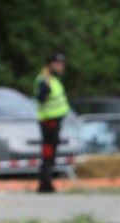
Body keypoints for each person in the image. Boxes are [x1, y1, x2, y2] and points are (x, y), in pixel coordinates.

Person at [34, 52, 69, 193]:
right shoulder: (45, 79)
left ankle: (47, 182)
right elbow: (41, 98)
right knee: (48, 154)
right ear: (51, 64)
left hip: (54, 121)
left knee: (51, 154)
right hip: (49, 122)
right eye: (58, 63)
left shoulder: (54, 79)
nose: (61, 66)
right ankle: (45, 184)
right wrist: (44, 91)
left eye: (62, 63)